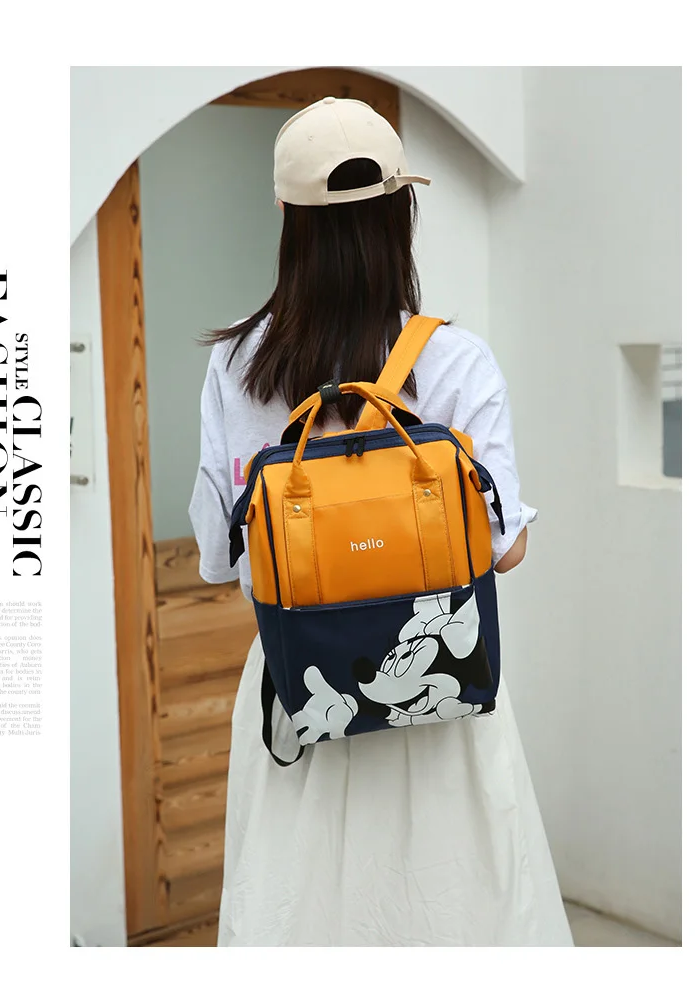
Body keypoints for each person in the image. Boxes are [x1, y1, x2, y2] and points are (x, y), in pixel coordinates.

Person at [189, 96, 573, 947]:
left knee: (300, 914)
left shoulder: (237, 366)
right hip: (441, 688)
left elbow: (219, 556)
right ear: (403, 211)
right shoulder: (456, 359)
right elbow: (505, 549)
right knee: (455, 913)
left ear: (285, 214)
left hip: (302, 696)